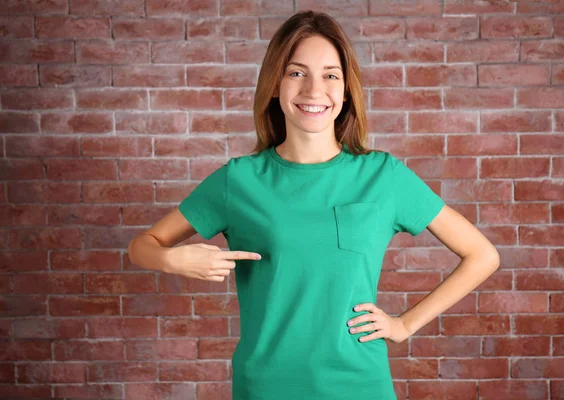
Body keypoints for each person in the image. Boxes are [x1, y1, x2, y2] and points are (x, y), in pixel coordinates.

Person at [128, 10, 500, 400]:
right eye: (296, 73)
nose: (313, 90)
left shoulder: (384, 177)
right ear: (275, 83)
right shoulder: (239, 181)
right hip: (266, 387)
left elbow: (482, 255)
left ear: (346, 89)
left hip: (360, 385)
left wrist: (405, 324)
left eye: (330, 75)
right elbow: (143, 245)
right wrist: (172, 260)